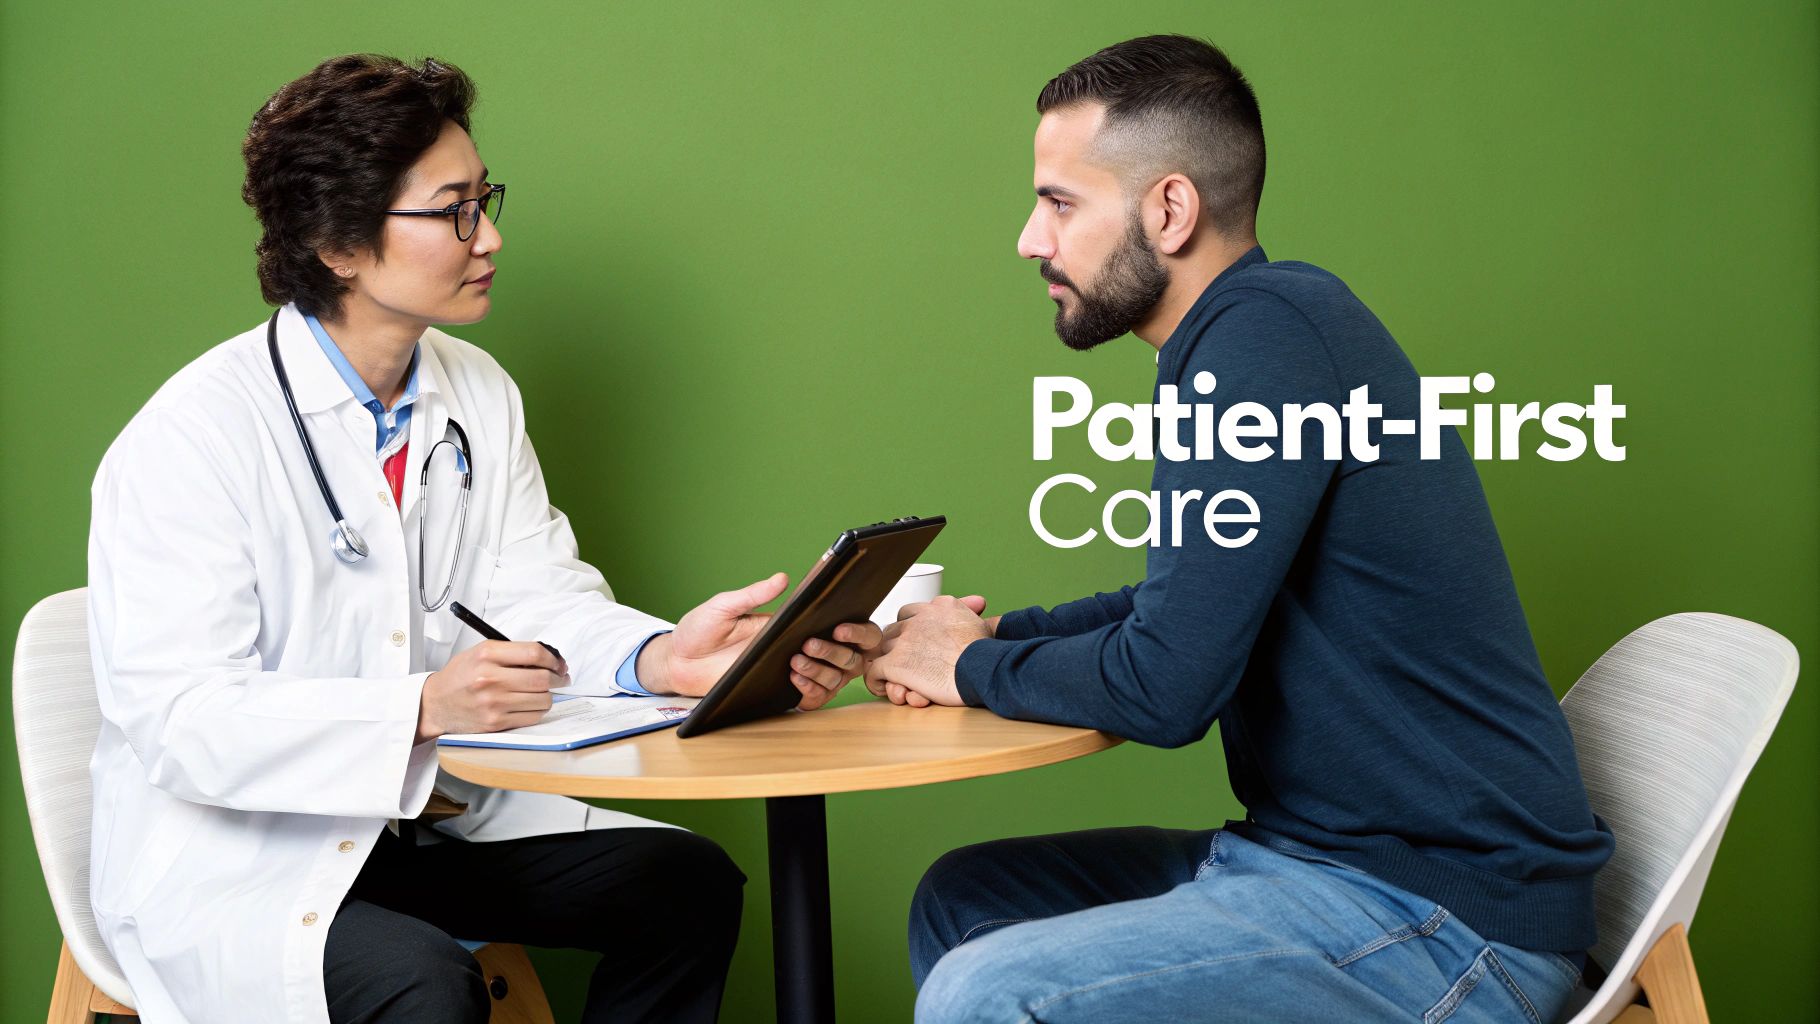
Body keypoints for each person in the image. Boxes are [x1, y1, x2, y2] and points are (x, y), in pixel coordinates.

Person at [85, 54, 879, 1024]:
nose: (489, 235)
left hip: (411, 827)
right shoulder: (192, 438)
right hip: (244, 860)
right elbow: (181, 716)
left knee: (680, 882)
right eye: (453, 210)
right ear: (337, 242)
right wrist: (416, 705)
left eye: (485, 198)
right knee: (422, 981)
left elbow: (533, 591)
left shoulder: (474, 394)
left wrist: (656, 654)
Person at [862, 35, 1615, 1023]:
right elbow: (1185, 602)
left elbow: (1166, 683)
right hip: (1309, 861)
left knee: (987, 990)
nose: (1028, 240)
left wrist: (961, 667)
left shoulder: (1260, 337)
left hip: (1444, 913)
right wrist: (996, 636)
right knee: (968, 900)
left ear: (1167, 209)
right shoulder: (1252, 335)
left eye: (1058, 203)